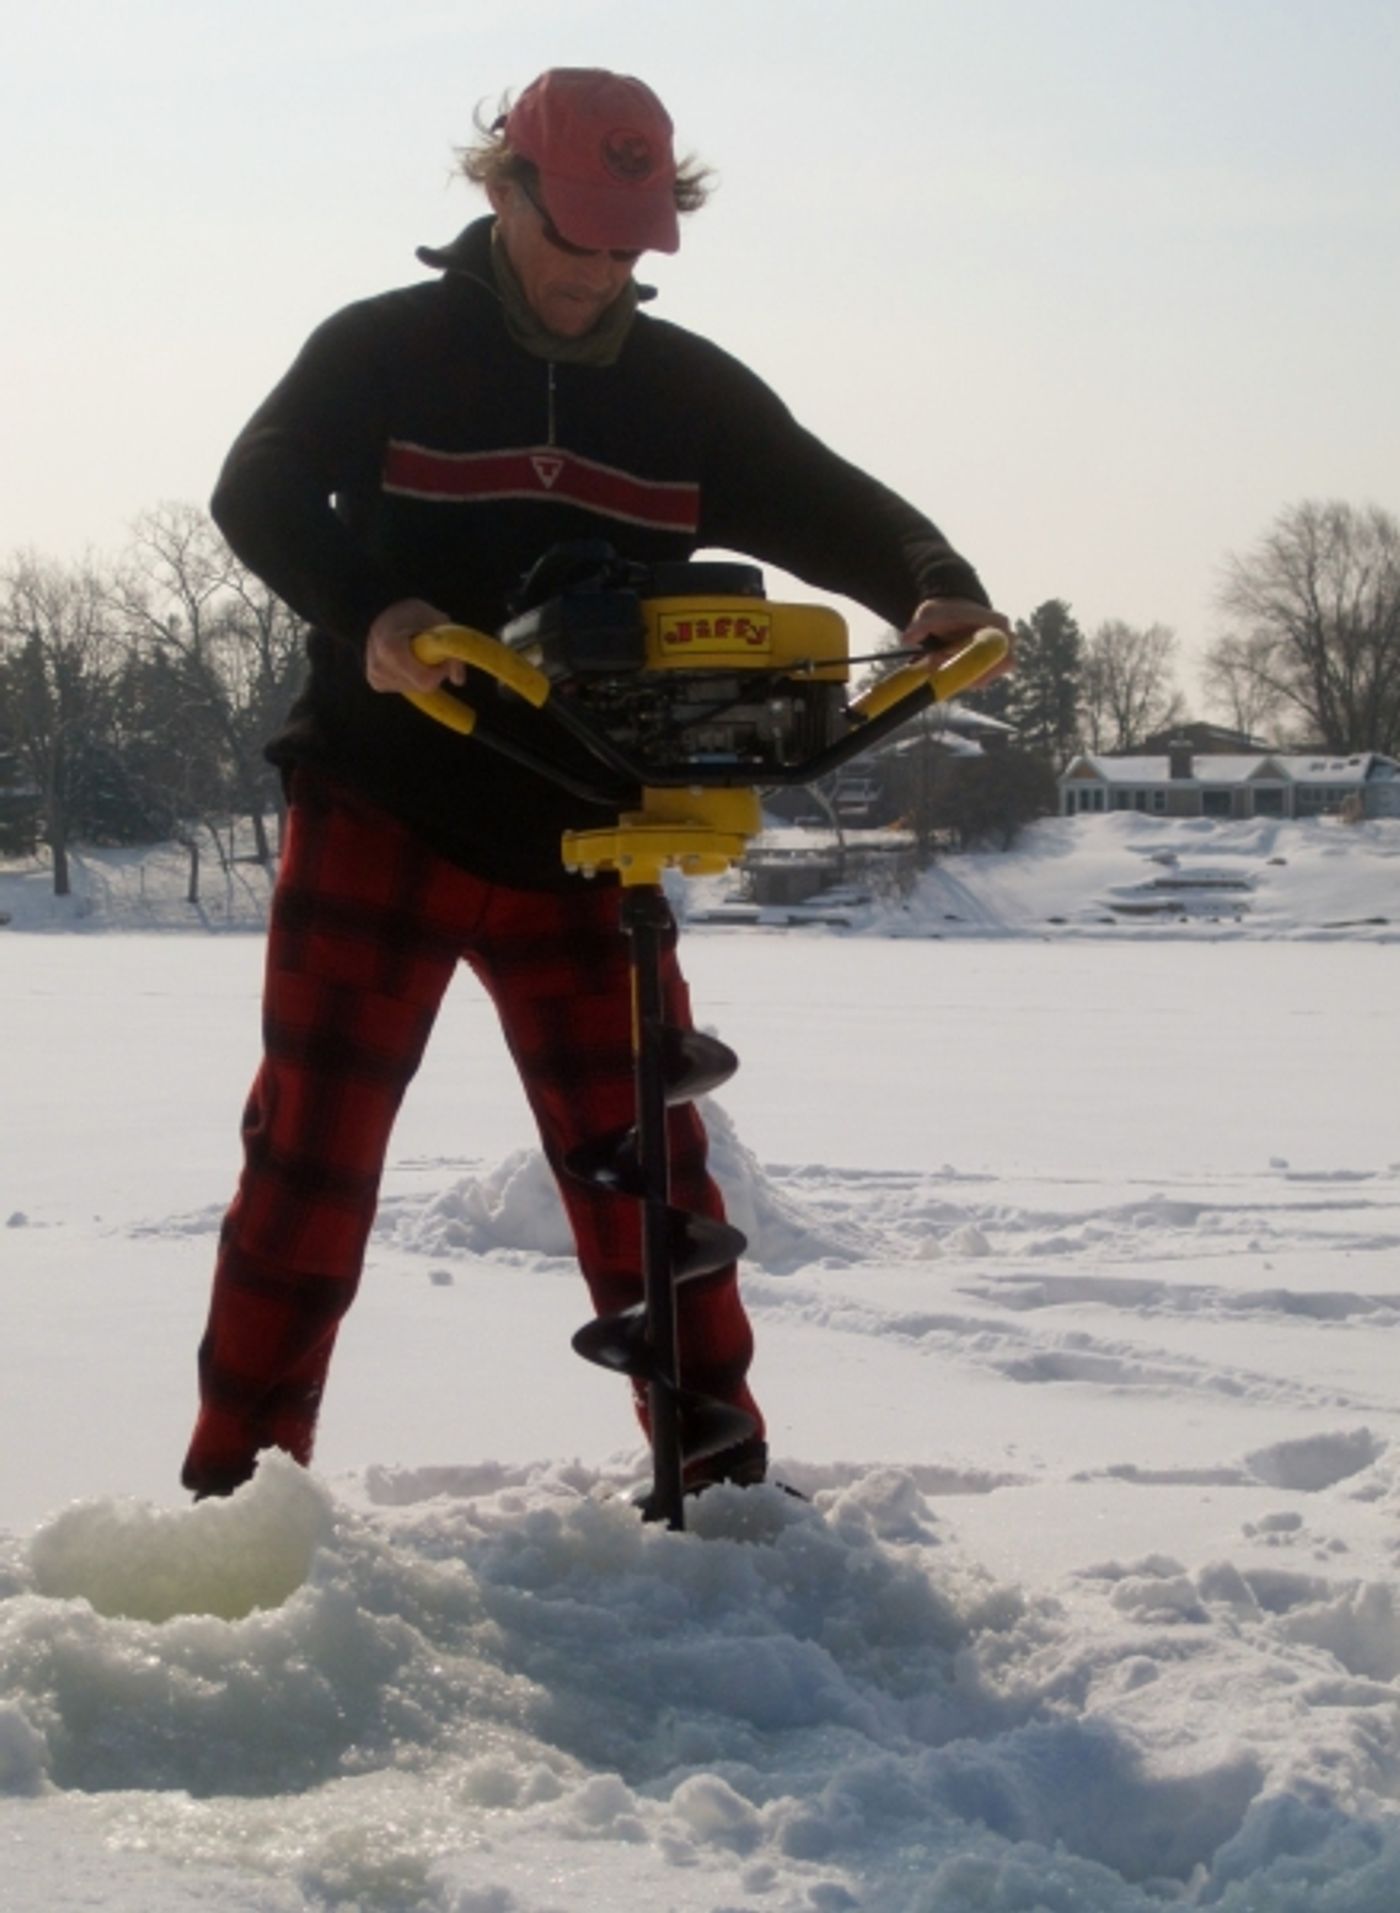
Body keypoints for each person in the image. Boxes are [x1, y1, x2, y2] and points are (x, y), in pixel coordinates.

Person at [182, 66, 1009, 1501]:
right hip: (386, 804)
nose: (603, 273)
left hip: (591, 827)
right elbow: (254, 487)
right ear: (501, 191)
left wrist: (936, 588)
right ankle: (235, 1502)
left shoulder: (685, 396)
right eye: (577, 238)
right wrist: (370, 616)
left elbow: (834, 501)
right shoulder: (387, 350)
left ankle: (725, 1483)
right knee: (308, 1168)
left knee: (651, 1181)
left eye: (632, 246)